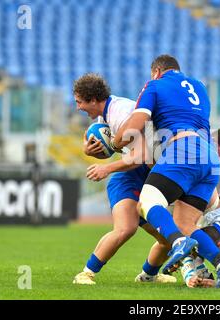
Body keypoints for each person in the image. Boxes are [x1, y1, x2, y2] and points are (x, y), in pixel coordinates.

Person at [111, 54, 220, 288]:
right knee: (186, 223)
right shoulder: (199, 86)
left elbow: (134, 126)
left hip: (183, 148)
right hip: (209, 156)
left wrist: (114, 143)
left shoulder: (155, 84)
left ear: (157, 71)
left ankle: (178, 243)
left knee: (147, 203)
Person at [71, 73, 174, 285]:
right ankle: (86, 274)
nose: (78, 108)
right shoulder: (106, 114)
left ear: (92, 99)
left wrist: (106, 169)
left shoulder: (120, 113)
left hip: (145, 173)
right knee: (126, 228)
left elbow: (141, 156)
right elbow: (99, 142)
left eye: (79, 102)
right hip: (130, 176)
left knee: (167, 238)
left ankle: (148, 276)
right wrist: (87, 149)